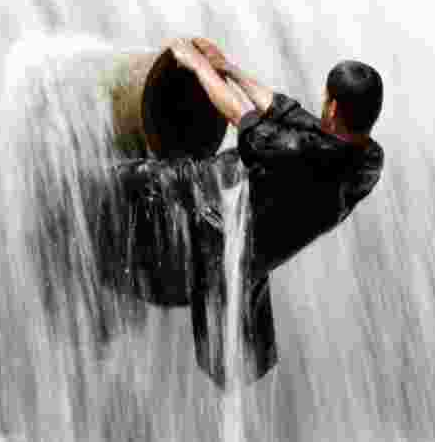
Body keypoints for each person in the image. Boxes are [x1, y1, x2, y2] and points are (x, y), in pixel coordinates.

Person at [96, 38, 385, 388]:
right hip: (253, 239)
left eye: (325, 99)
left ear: (334, 108)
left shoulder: (293, 153)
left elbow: (240, 116)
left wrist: (199, 66)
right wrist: (227, 68)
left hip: (210, 218)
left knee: (109, 187)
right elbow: (287, 112)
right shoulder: (368, 161)